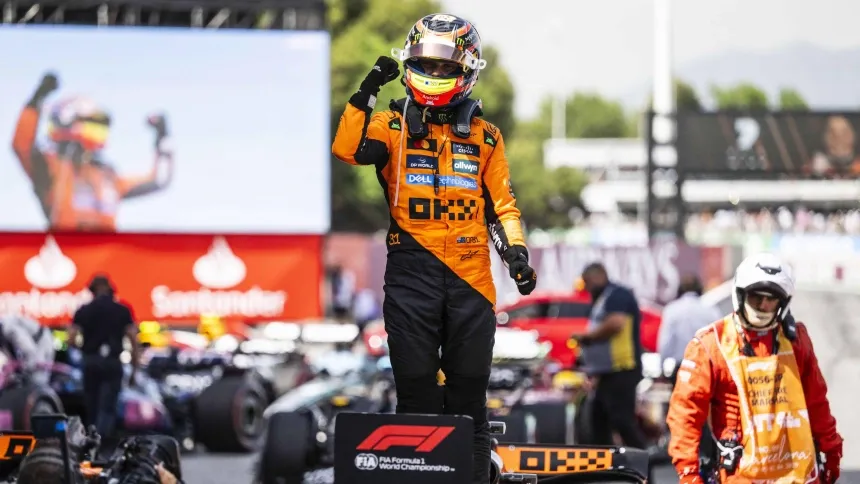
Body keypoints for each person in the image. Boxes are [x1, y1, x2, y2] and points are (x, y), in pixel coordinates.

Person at [331, 13, 536, 484]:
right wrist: (367, 89)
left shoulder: (487, 137)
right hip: (411, 275)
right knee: (417, 391)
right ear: (410, 63)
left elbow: (502, 208)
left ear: (467, 69)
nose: (436, 73)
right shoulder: (390, 125)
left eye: (446, 66)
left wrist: (516, 255)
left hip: (472, 280)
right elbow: (346, 148)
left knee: (468, 398)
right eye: (427, 64)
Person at [666, 253, 842, 483]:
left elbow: (816, 402)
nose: (763, 305)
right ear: (741, 294)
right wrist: (689, 473)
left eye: (771, 299)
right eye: (756, 296)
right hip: (738, 474)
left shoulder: (797, 341)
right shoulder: (711, 344)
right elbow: (685, 415)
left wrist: (831, 449)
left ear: (783, 302)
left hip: (797, 473)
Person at [11, 72, 174, 231]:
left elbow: (159, 179)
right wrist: (37, 99)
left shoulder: (107, 176)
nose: (98, 137)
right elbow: (21, 145)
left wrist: (163, 136)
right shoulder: (50, 167)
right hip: (65, 247)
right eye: (92, 128)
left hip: (107, 249)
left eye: (101, 130)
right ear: (68, 125)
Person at [571, 262, 648, 449]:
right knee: (599, 421)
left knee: (622, 420)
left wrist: (588, 337)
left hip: (622, 369)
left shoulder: (617, 295)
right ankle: (606, 462)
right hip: (607, 372)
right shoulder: (603, 298)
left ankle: (642, 460)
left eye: (588, 282)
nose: (587, 287)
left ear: (598, 276)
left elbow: (616, 323)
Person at [67, 274, 139, 457]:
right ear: (111, 289)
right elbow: (133, 340)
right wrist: (134, 369)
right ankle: (102, 448)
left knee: (92, 406)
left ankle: (89, 444)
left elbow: (71, 339)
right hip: (113, 362)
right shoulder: (122, 310)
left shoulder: (84, 310)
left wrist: (84, 350)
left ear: (92, 290)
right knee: (108, 407)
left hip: (91, 362)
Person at [657, 274, 721, 380]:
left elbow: (665, 342)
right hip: (705, 368)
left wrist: (661, 367)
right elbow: (719, 340)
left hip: (681, 367)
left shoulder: (672, 310)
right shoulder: (711, 311)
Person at [0, 314, 55, 385]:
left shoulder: (10, 328)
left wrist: (25, 368)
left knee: (37, 378)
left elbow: (29, 350)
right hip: (34, 342)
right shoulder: (3, 334)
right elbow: (10, 357)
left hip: (42, 341)